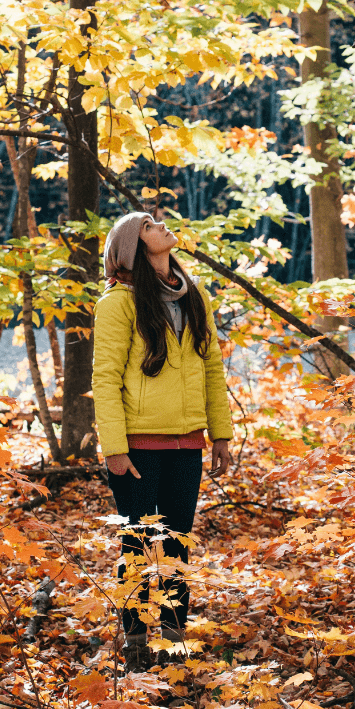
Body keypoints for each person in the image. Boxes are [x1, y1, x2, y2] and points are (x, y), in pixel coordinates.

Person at [92, 211, 233, 672]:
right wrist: (113, 446)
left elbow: (211, 367)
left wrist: (221, 435)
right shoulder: (118, 303)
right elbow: (105, 376)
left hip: (187, 444)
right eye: (149, 224)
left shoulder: (194, 295)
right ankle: (135, 640)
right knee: (137, 544)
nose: (162, 225)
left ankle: (173, 640)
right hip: (136, 447)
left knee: (177, 545)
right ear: (134, 245)